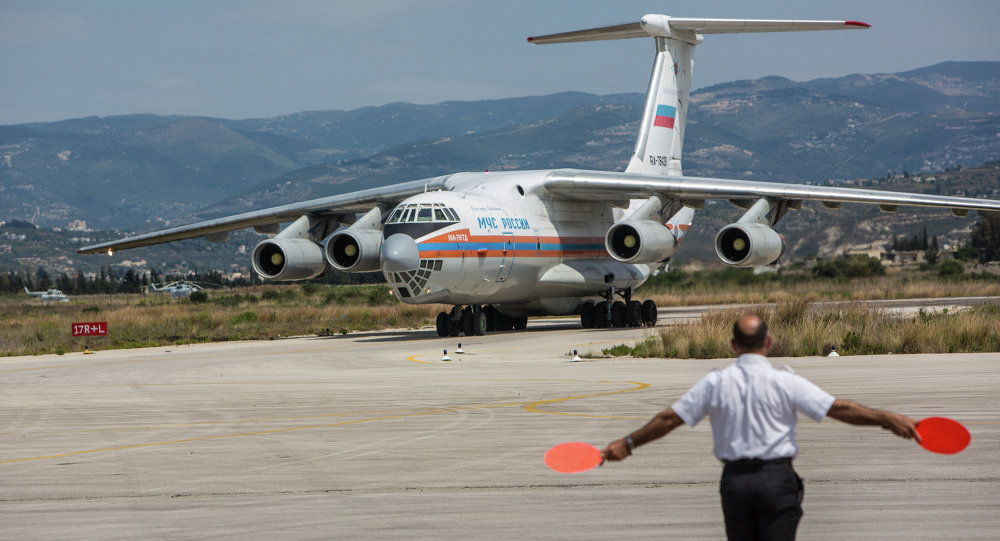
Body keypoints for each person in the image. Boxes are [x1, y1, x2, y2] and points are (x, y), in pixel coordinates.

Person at [601, 315, 920, 541]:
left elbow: (669, 419)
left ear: (732, 345)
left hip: (736, 483)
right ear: (768, 342)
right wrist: (887, 419)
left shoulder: (716, 382)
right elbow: (839, 409)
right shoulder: (784, 380)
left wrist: (627, 443)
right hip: (776, 481)